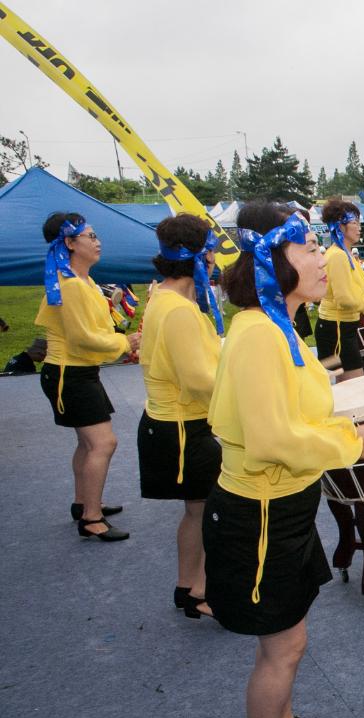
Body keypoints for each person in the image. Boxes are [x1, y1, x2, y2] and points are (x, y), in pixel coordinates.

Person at [204, 202, 364, 718]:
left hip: (286, 502)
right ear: (273, 259)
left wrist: (345, 415)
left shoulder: (280, 326)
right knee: (283, 643)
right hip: (259, 510)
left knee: (290, 630)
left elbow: (293, 406)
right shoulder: (259, 333)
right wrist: (350, 445)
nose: (320, 257)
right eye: (308, 248)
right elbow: (269, 436)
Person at [138, 214, 225, 618]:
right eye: (212, 251)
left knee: (196, 510)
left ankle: (188, 586)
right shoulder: (179, 311)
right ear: (201, 257)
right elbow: (200, 382)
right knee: (209, 510)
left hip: (172, 425)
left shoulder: (167, 299)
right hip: (182, 427)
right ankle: (202, 590)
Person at [35, 212, 141, 541]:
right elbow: (83, 338)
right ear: (69, 243)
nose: (97, 242)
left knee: (87, 443)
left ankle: (84, 504)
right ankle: (91, 518)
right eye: (90, 237)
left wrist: (111, 305)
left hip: (77, 372)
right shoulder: (71, 285)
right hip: (71, 373)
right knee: (103, 442)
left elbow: (88, 328)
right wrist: (126, 342)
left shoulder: (82, 282)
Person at [314, 199, 364, 382]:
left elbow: (353, 292)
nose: (359, 228)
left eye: (359, 223)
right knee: (351, 387)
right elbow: (345, 299)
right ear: (340, 227)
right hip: (335, 330)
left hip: (339, 328)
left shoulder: (345, 254)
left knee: (347, 387)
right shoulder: (338, 256)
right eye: (354, 223)